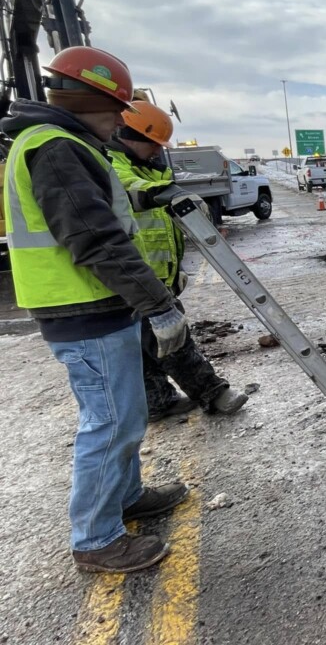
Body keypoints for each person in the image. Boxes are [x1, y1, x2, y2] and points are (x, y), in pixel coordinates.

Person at [1, 46, 193, 573]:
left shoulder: (68, 144)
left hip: (96, 306)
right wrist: (160, 305)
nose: (119, 123)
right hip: (80, 307)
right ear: (89, 101)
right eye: (116, 111)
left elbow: (106, 210)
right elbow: (97, 239)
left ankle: (125, 498)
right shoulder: (56, 148)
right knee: (110, 423)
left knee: (123, 415)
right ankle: (95, 539)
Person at [108, 98, 248, 421]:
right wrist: (167, 191)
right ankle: (213, 392)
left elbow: (163, 229)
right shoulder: (113, 165)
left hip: (156, 274)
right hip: (135, 277)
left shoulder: (150, 166)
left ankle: (158, 401)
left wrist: (176, 271)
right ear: (132, 137)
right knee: (172, 340)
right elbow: (128, 189)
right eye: (153, 144)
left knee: (143, 344)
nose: (158, 152)